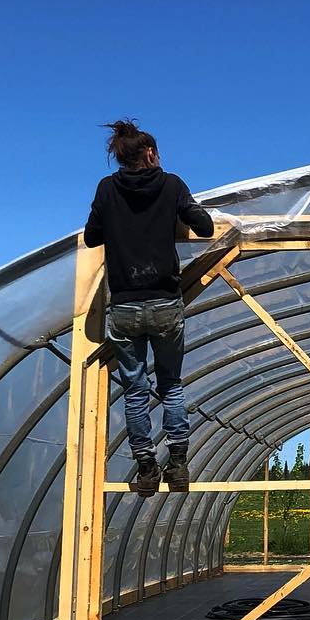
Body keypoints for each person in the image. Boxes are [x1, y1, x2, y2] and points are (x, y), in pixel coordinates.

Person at [84, 120, 215, 495]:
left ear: (120, 157)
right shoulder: (171, 184)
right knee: (171, 385)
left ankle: (145, 468)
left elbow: (93, 236)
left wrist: (120, 226)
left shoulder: (107, 189)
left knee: (135, 390)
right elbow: (204, 227)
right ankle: (177, 465)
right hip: (164, 301)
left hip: (124, 304)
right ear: (151, 153)